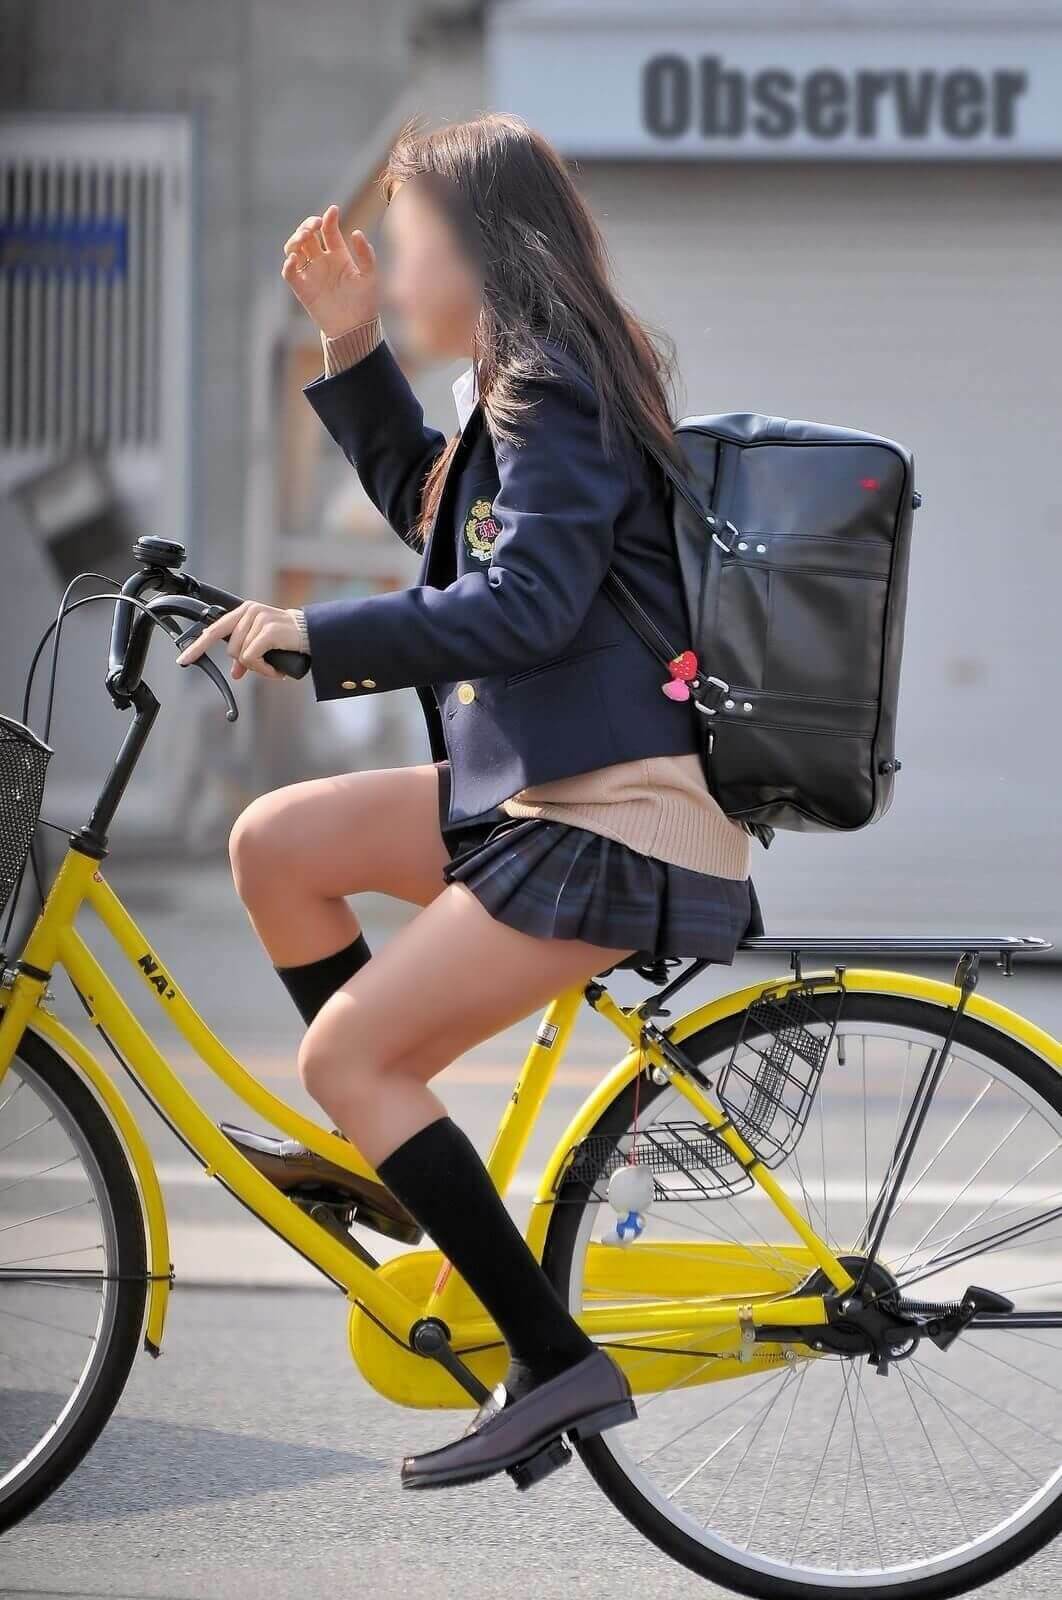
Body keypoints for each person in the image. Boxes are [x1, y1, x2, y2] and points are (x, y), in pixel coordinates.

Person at [176, 111, 765, 1492]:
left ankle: (552, 1362)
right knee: (279, 844)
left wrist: (314, 632)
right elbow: (438, 526)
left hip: (618, 814)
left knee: (349, 1057)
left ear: (479, 249)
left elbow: (526, 604)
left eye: (407, 243)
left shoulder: (551, 389)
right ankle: (396, 1159)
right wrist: (349, 338)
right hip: (547, 784)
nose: (393, 267)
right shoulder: (520, 388)